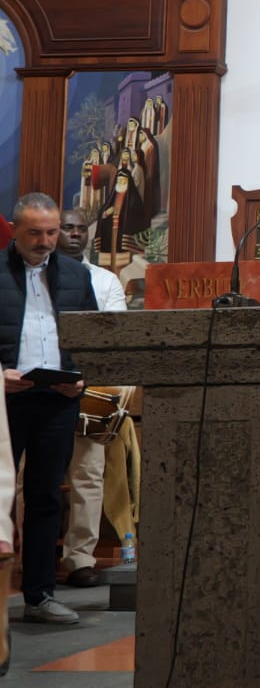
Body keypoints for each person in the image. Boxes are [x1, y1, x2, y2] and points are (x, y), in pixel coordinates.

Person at [2, 193, 98, 627]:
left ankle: (39, 595)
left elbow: (97, 335)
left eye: (52, 232)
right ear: (16, 231)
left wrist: (80, 377)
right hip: (3, 397)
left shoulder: (77, 275)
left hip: (57, 399)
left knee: (43, 500)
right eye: (35, 233)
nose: (45, 241)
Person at [57, 207, 129, 590]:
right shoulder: (36, 276)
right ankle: (21, 555)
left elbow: (113, 335)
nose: (73, 234)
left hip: (89, 388)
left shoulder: (104, 280)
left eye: (80, 229)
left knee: (88, 475)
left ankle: (80, 558)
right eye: (66, 227)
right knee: (26, 478)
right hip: (39, 387)